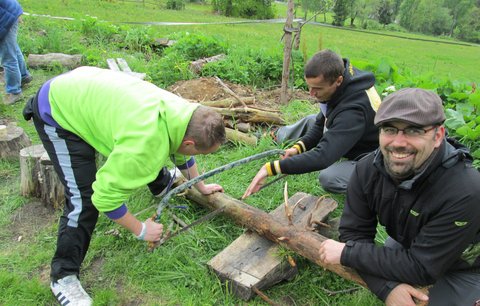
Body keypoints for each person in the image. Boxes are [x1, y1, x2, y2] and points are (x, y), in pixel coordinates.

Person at [23, 66, 226, 305]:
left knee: (149, 154)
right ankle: (63, 277)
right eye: (200, 151)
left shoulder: (184, 115)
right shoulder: (143, 147)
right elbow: (104, 198)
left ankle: (160, 183)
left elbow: (181, 149)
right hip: (57, 110)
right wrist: (141, 229)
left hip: (87, 89)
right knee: (83, 199)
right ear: (191, 142)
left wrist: (199, 185)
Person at [318, 88, 480, 305]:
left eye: (414, 131)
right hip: (414, 246)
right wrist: (387, 288)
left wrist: (348, 254)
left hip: (467, 266)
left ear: (438, 135)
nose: (399, 142)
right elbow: (353, 235)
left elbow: (422, 268)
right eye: (390, 129)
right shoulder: (367, 169)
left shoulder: (465, 189)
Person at [243, 49, 381, 198]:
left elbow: (323, 156)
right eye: (309, 86)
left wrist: (273, 168)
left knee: (329, 177)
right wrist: (298, 148)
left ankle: (379, 187)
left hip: (371, 157)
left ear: (338, 81)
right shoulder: (342, 79)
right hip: (353, 136)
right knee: (311, 120)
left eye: (317, 88)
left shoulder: (353, 110)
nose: (311, 93)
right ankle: (273, 136)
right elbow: (321, 122)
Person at [0, 0, 33, 105]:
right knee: (11, 48)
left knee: (8, 57)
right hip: (11, 11)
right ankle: (24, 76)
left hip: (6, 17)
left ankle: (14, 92)